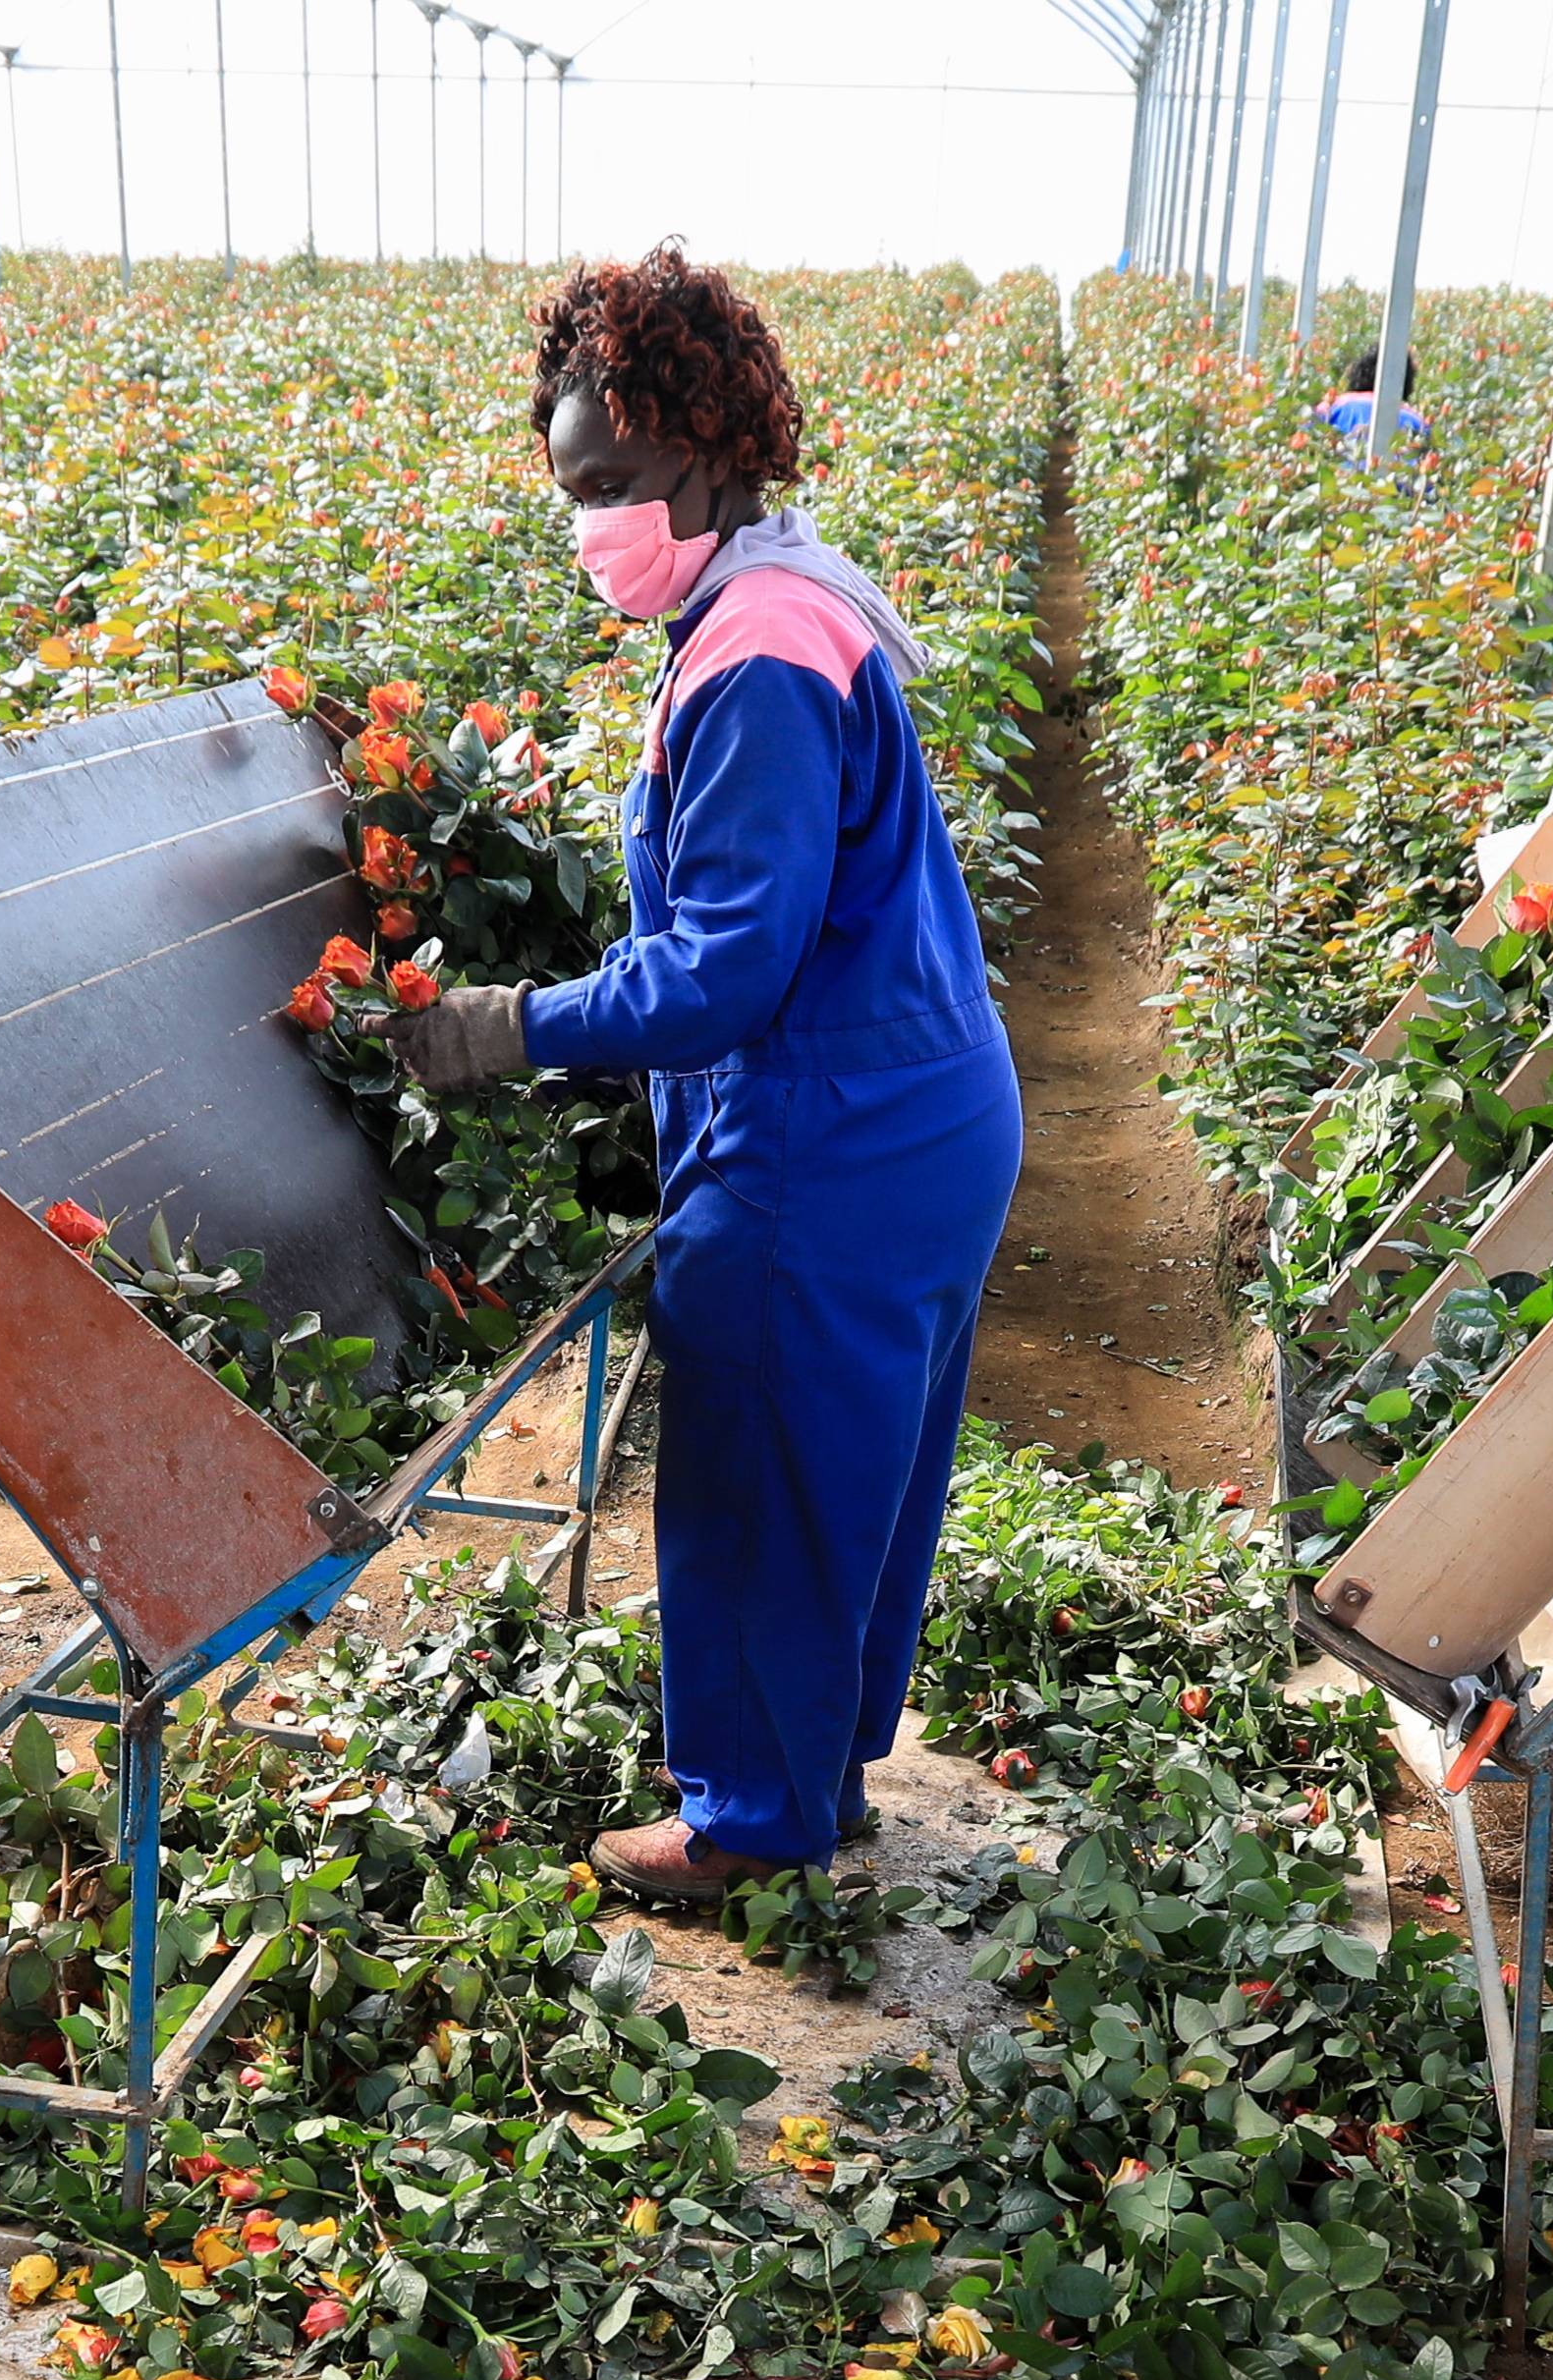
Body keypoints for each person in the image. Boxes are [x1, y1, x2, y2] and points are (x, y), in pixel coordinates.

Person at [381, 249, 1020, 1906]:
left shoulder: (753, 661)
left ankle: (746, 1821)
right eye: (573, 490)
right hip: (920, 1106)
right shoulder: (790, 599)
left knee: (755, 1476)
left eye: (614, 484)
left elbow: (730, 966)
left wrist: (512, 1026)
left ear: (712, 455)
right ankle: (823, 1776)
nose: (593, 521)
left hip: (834, 1135)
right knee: (856, 1465)